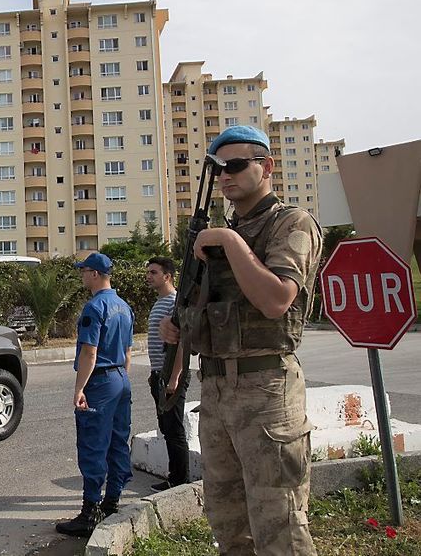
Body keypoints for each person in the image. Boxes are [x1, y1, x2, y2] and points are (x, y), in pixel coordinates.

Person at [160, 125, 322, 555]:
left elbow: (275, 300)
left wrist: (230, 241)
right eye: (217, 169)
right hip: (216, 390)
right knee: (229, 524)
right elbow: (199, 312)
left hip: (267, 387)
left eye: (235, 165)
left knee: (280, 525)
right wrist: (177, 334)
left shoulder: (290, 222)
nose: (225, 175)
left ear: (266, 167)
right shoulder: (214, 235)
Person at [56, 252, 134, 539]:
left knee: (93, 444)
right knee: (117, 441)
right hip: (120, 378)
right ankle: (112, 502)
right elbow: (127, 352)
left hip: (100, 381)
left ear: (96, 274)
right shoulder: (124, 307)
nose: (81, 275)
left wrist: (79, 389)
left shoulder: (94, 307)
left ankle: (90, 513)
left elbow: (90, 352)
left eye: (84, 271)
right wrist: (120, 379)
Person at [145, 256, 188, 492]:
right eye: (148, 272)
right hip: (160, 374)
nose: (148, 277)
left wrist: (174, 377)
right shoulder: (161, 302)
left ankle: (180, 480)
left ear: (167, 276)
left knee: (174, 428)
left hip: (171, 374)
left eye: (154, 272)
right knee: (167, 427)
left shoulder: (174, 302)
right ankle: (175, 477)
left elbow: (182, 342)